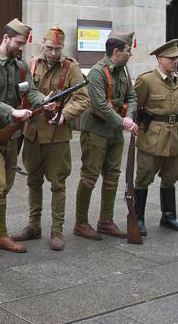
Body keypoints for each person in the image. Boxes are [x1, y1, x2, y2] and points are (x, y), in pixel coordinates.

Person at [0, 19, 49, 261]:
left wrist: (45, 100)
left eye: (23, 44)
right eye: (18, 43)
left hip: (11, 134)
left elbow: (30, 91)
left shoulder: (21, 67)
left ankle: (1, 235)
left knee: (5, 186)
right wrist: (12, 112)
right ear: (5, 38)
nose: (21, 48)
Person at [10, 26, 89, 251]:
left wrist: (64, 114)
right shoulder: (32, 63)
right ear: (42, 44)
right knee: (33, 181)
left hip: (57, 136)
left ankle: (56, 230)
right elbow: (22, 91)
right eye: (50, 48)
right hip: (33, 132)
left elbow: (82, 99)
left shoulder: (71, 67)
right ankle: (33, 226)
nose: (54, 53)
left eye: (58, 49)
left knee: (58, 183)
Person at [74, 31, 138, 240]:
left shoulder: (124, 71)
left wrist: (127, 117)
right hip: (95, 132)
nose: (131, 54)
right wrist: (124, 122)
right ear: (116, 51)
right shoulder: (97, 73)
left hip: (115, 131)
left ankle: (106, 221)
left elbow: (132, 96)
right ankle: (81, 223)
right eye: (128, 50)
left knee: (112, 176)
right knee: (89, 176)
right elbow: (100, 105)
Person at [133, 39, 178, 236]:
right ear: (159, 59)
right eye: (171, 59)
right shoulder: (146, 80)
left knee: (171, 177)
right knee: (143, 178)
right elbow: (135, 107)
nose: (175, 62)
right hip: (151, 137)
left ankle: (169, 216)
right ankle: (138, 218)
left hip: (173, 135)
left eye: (177, 59)